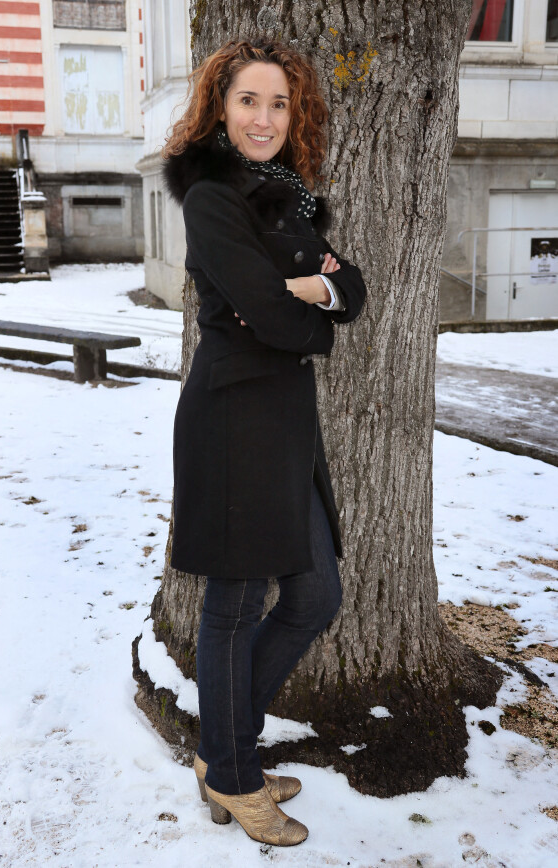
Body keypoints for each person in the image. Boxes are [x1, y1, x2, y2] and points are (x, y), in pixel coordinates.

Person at [162, 37, 366, 846]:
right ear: (221, 106)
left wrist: (311, 287)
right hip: (234, 420)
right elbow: (279, 320)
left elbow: (349, 289)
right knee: (236, 605)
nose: (265, 117)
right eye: (249, 100)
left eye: (279, 103)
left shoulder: (292, 197)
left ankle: (225, 751)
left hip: (285, 422)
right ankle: (235, 779)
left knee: (316, 598)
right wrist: (302, 310)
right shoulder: (212, 198)